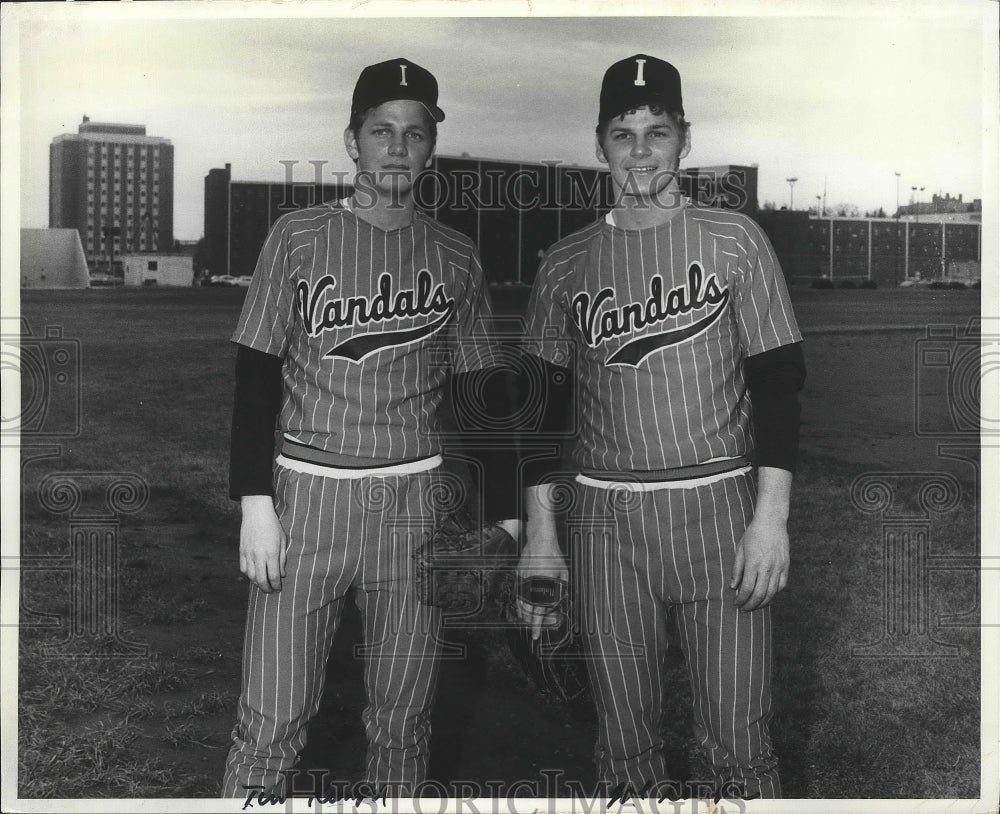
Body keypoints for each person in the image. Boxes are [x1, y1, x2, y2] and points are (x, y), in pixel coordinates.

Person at [221, 57, 518, 799]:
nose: (396, 146)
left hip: (411, 508)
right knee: (272, 718)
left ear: (429, 150)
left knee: (403, 721)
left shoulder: (455, 255)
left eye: (413, 134)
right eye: (380, 130)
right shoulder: (296, 236)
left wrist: (510, 516)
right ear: (351, 141)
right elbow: (255, 377)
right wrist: (254, 502)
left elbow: (482, 393)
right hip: (303, 501)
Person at [517, 54, 805, 800]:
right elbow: (541, 417)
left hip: (719, 512)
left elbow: (780, 388)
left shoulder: (736, 239)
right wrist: (543, 541)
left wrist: (770, 521)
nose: (640, 150)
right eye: (623, 133)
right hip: (607, 523)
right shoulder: (565, 263)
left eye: (657, 132)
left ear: (685, 139)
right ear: (600, 143)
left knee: (738, 742)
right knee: (622, 745)